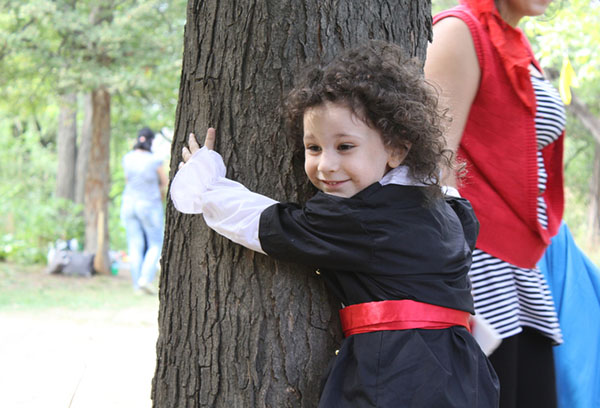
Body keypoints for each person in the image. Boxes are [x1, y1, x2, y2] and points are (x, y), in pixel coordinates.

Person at [170, 42, 499, 407]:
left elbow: (269, 225)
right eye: (314, 148)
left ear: (396, 149)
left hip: (399, 375)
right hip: (462, 371)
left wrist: (208, 184)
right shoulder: (443, 207)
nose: (326, 164)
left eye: (344, 147)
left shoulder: (366, 218)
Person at [424, 1, 565, 406]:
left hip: (519, 267)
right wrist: (452, 284)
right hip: (476, 266)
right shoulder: (459, 30)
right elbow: (435, 164)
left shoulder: (513, 38)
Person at [121, 127, 167, 294]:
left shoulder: (127, 158)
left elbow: (128, 181)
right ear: (151, 141)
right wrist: (160, 195)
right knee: (155, 242)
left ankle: (136, 286)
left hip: (128, 204)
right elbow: (164, 181)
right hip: (149, 205)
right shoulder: (155, 160)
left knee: (135, 244)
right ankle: (145, 279)